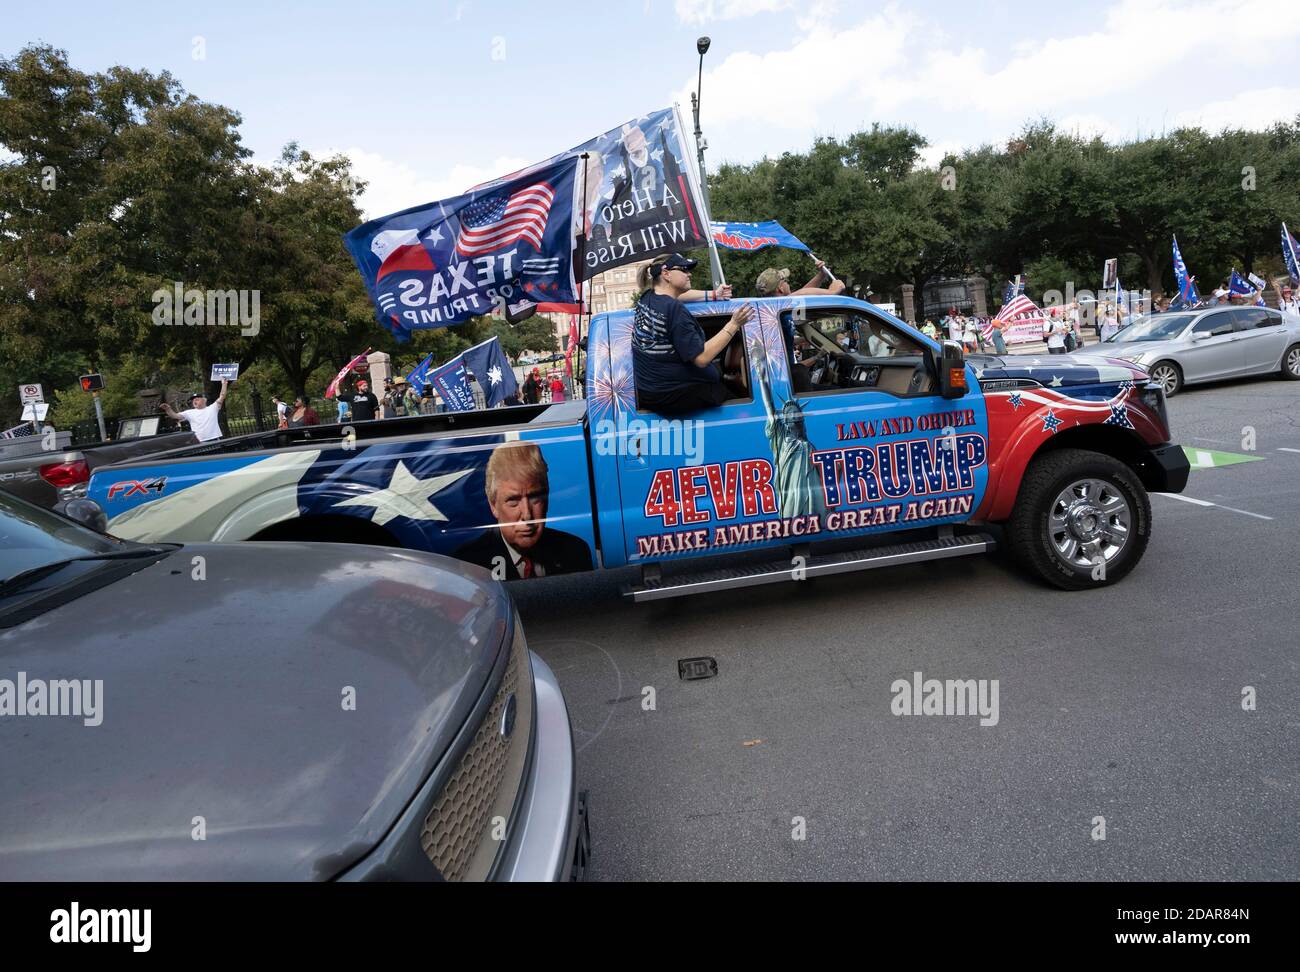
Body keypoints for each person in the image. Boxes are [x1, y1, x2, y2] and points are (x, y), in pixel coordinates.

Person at [631, 253, 752, 415]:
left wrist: (714, 295)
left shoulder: (648, 298)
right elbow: (701, 358)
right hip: (674, 396)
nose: (689, 273)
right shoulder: (674, 310)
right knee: (743, 407)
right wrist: (734, 324)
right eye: (683, 269)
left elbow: (679, 294)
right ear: (666, 274)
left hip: (653, 393)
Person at [453, 441, 593, 579]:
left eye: (535, 498)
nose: (527, 515)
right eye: (513, 501)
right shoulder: (468, 564)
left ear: (547, 498)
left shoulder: (575, 551)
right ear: (493, 505)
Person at [159, 379, 228, 442]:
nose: (194, 401)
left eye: (197, 399)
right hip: (199, 442)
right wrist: (168, 409)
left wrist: (224, 384)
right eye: (193, 400)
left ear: (204, 400)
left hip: (215, 440)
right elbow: (175, 416)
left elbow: (222, 396)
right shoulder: (189, 413)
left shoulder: (212, 408)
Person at [755, 262, 844, 298]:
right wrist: (833, 291)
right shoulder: (786, 303)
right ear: (780, 288)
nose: (788, 284)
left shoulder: (771, 306)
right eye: (785, 281)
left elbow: (803, 293)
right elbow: (801, 294)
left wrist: (822, 275)